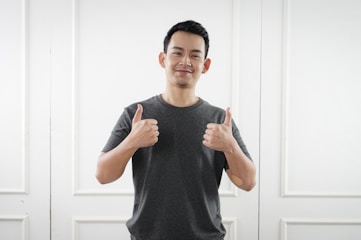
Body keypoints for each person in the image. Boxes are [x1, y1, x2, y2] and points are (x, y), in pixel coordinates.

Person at [96, 20, 256, 240]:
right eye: (177, 53)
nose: (185, 61)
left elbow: (248, 182)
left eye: (195, 55)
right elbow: (103, 175)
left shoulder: (220, 120)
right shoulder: (136, 114)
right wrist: (132, 141)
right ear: (163, 59)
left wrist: (230, 148)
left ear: (206, 65)